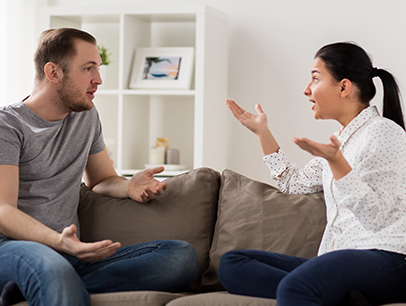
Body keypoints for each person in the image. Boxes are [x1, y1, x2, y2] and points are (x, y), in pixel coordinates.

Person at [0, 27, 198, 306]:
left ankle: (32, 287)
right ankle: (43, 278)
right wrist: (58, 242)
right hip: (10, 248)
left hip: (69, 254)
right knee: (51, 267)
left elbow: (101, 178)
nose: (99, 79)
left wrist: (128, 185)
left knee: (181, 257)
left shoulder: (86, 117)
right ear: (53, 72)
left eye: (98, 68)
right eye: (88, 68)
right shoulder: (7, 126)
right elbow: (3, 210)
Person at [218, 42, 406, 306]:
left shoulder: (384, 133)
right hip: (339, 259)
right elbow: (292, 184)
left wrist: (337, 162)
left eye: (315, 78)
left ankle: (314, 290)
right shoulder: (339, 142)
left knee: (296, 288)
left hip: (388, 258)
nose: (306, 89)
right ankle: (334, 294)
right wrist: (263, 132)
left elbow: (375, 218)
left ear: (344, 87)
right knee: (232, 264)